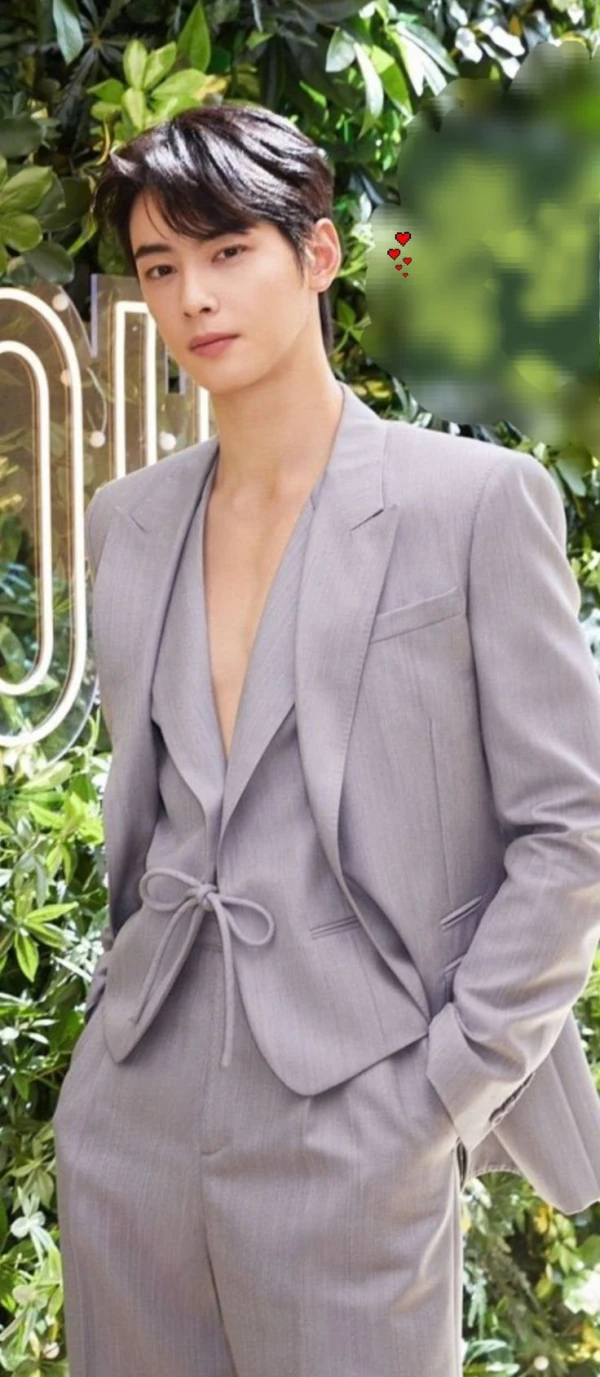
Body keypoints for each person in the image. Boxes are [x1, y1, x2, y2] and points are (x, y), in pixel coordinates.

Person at [52, 102, 600, 1377]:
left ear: (318, 254)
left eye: (226, 251)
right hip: (136, 1110)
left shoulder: (473, 503)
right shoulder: (129, 521)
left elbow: (571, 828)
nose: (193, 296)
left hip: (360, 1113)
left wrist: (442, 1093)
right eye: (159, 267)